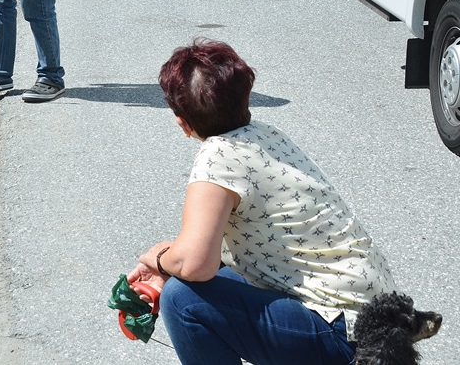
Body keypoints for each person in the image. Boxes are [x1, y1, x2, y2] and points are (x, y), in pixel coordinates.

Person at [127, 39, 398, 365]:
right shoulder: (266, 134)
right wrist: (175, 265)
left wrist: (158, 258)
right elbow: (210, 256)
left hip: (346, 335)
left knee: (182, 299)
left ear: (182, 122)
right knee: (188, 276)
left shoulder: (216, 156)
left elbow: (194, 264)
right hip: (381, 319)